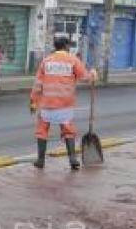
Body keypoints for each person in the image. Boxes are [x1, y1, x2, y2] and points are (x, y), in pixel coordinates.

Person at [29, 36, 96, 170]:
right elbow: (85, 77)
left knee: (42, 131)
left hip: (47, 103)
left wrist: (33, 102)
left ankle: (40, 160)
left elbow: (38, 84)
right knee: (68, 130)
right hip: (65, 103)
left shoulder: (46, 61)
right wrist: (93, 75)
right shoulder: (72, 60)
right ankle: (72, 159)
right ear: (66, 46)